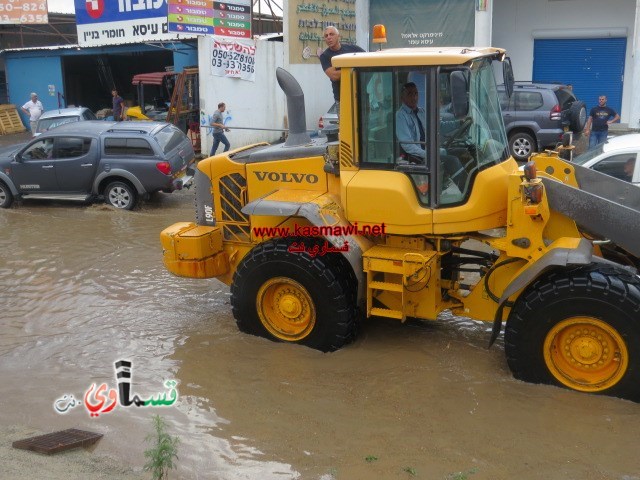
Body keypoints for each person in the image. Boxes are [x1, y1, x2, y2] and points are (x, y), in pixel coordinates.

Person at [395, 82, 466, 191]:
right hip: (416, 156)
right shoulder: (401, 115)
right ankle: (466, 191)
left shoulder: (421, 112)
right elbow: (407, 145)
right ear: (402, 97)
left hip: (429, 150)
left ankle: (470, 185)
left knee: (462, 151)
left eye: (416, 93)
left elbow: (439, 126)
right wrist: (429, 154)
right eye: (410, 94)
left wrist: (459, 123)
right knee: (452, 161)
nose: (414, 97)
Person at [319, 26, 364, 109]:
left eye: (331, 34)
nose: (328, 37)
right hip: (342, 99)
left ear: (338, 36)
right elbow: (334, 76)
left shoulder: (352, 48)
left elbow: (367, 60)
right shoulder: (324, 56)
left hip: (360, 95)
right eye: (326, 36)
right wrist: (357, 69)